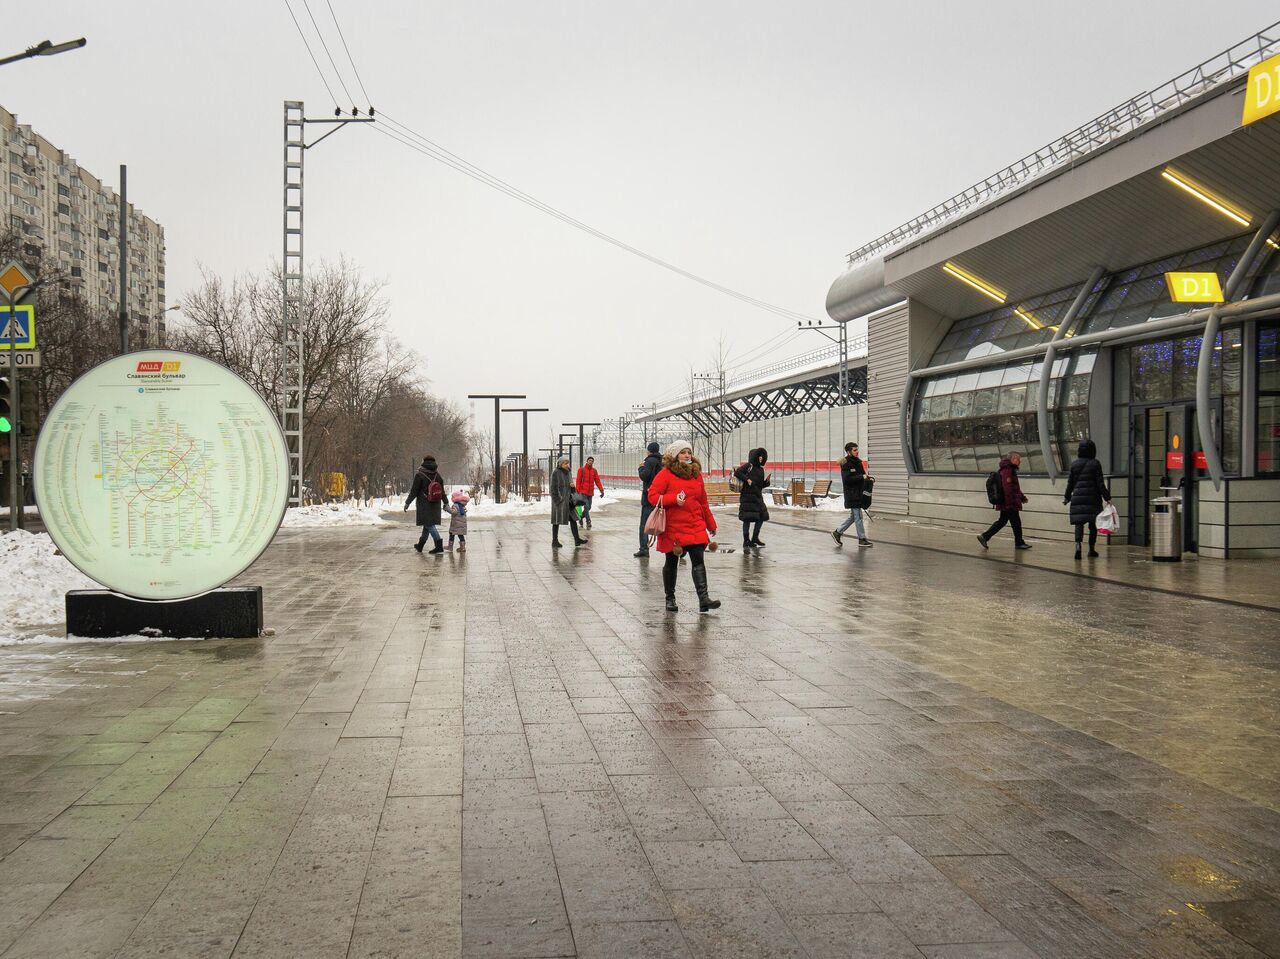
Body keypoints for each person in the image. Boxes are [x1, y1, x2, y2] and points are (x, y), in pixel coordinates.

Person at [647, 440, 720, 613]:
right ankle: (670, 599)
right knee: (671, 562)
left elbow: (702, 501)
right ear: (675, 455)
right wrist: (672, 499)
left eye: (689, 452)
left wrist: (710, 523)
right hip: (673, 527)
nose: (687, 455)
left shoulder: (696, 474)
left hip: (695, 524)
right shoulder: (665, 474)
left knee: (698, 560)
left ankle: (704, 599)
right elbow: (652, 496)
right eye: (683, 452)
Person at [1063, 439, 1110, 560]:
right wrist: (1107, 497)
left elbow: (1070, 483)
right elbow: (1100, 484)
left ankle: (1078, 545)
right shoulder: (1095, 463)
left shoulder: (1074, 464)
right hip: (1093, 499)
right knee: (1093, 525)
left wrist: (1067, 497)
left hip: (1078, 498)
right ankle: (1091, 549)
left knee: (1079, 524)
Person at [978, 451, 1031, 551]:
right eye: (1018, 459)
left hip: (1007, 502)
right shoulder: (1007, 470)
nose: (1019, 461)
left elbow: (1015, 488)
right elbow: (1007, 488)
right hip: (1009, 503)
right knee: (1016, 523)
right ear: (1013, 459)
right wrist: (1010, 503)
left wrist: (1022, 497)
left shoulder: (1008, 469)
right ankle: (1019, 543)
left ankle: (985, 536)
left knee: (1002, 521)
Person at [832, 441, 873, 547]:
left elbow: (862, 475)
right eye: (854, 450)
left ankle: (837, 532)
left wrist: (867, 479)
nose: (857, 452)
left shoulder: (858, 462)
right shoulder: (846, 463)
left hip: (859, 493)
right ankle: (862, 539)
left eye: (857, 449)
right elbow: (847, 480)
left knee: (854, 517)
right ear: (849, 452)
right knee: (858, 516)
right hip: (852, 494)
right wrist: (861, 477)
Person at [404, 455, 446, 554]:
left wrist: (407, 502)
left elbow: (414, 491)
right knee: (427, 524)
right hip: (435, 504)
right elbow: (442, 492)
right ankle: (420, 545)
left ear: (424, 462)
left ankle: (438, 545)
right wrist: (446, 502)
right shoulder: (437, 475)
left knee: (429, 524)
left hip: (424, 504)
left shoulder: (420, 475)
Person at [733, 448, 770, 552]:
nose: (761, 458)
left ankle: (754, 538)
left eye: (762, 456)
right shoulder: (748, 466)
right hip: (747, 497)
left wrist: (766, 482)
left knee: (762, 516)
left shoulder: (761, 469)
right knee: (747, 519)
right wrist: (747, 479)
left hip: (757, 497)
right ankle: (746, 540)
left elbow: (759, 485)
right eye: (759, 456)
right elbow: (738, 473)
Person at [551, 456, 588, 549]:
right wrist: (558, 500)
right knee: (556, 521)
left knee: (573, 519)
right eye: (565, 463)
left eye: (568, 463)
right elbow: (553, 488)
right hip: (559, 502)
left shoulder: (568, 472)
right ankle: (554, 541)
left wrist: (572, 487)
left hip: (569, 500)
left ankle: (577, 539)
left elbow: (571, 487)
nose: (567, 464)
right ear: (560, 464)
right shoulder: (556, 472)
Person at [635, 441, 662, 558]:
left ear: (649, 450)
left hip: (649, 497)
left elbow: (644, 476)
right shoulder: (663, 462)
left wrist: (640, 468)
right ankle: (678, 546)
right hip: (660, 497)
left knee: (644, 524)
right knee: (665, 523)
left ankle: (643, 548)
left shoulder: (649, 461)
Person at [575, 456, 605, 529]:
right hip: (583, 492)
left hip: (590, 493)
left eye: (592, 461)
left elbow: (597, 481)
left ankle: (580, 517)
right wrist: (577, 491)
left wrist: (601, 490)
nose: (590, 462)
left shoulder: (594, 471)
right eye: (589, 460)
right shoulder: (581, 470)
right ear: (587, 461)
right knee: (586, 506)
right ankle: (588, 522)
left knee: (588, 508)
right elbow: (578, 481)